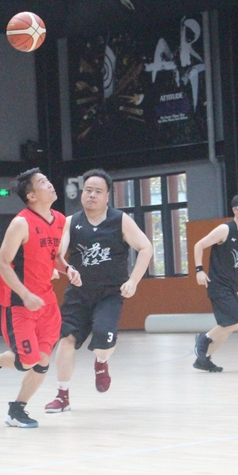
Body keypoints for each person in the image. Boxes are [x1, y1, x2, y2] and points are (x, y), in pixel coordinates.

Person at [0, 168, 81, 428]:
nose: (50, 184)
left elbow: (55, 256)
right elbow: (1, 263)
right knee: (27, 360)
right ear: (31, 196)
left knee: (42, 361)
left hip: (46, 302)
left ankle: (16, 410)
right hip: (20, 302)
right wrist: (24, 293)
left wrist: (68, 269)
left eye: (48, 180)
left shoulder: (59, 220)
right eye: (43, 182)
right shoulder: (21, 223)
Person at [43, 168, 152, 413]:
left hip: (110, 294)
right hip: (78, 293)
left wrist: (133, 281)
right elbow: (57, 253)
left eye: (98, 191)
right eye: (88, 190)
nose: (92, 195)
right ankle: (62, 396)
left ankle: (101, 362)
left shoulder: (119, 220)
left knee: (103, 339)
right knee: (66, 340)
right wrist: (56, 268)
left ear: (107, 196)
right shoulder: (71, 222)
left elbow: (145, 248)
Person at [191, 191, 238, 373]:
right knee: (237, 320)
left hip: (232, 285)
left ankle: (204, 359)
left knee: (228, 326)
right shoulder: (225, 230)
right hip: (217, 283)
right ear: (235, 210)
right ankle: (204, 338)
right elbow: (199, 245)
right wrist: (199, 270)